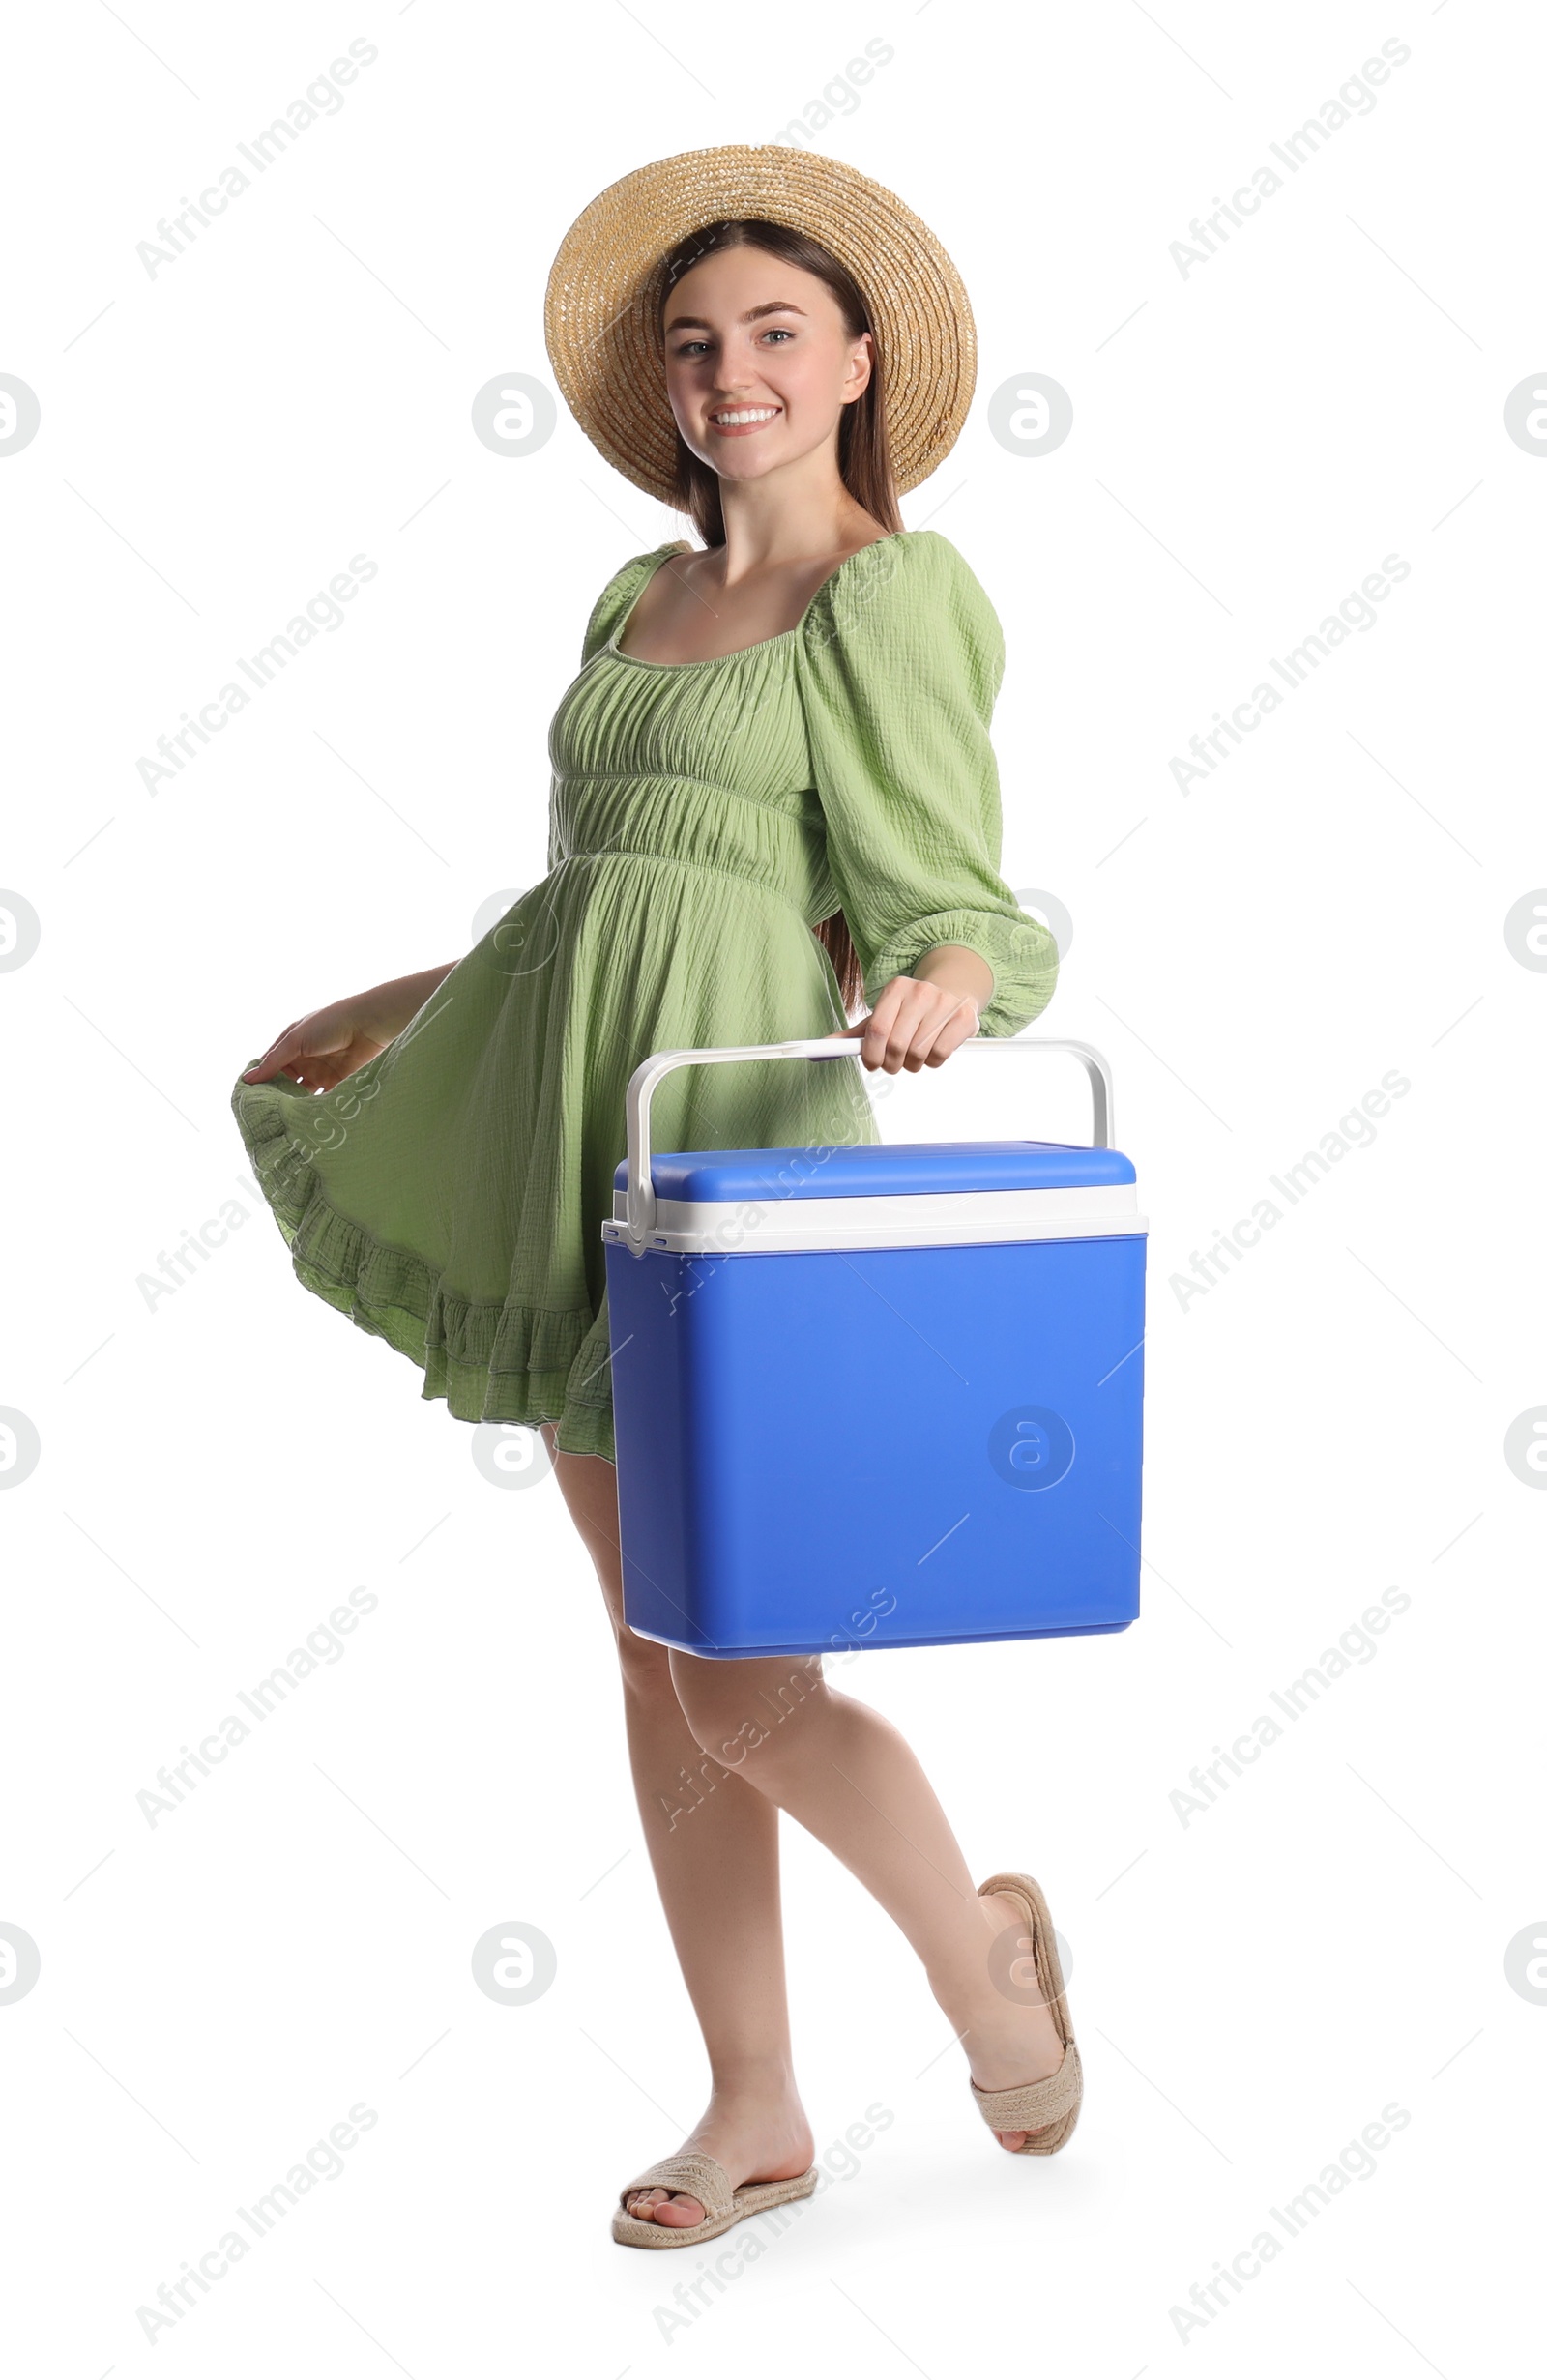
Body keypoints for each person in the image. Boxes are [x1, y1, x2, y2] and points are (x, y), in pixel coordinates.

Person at [232, 145, 1080, 2249]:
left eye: (774, 332)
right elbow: (597, 902)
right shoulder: (635, 601)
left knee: (739, 1673)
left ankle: (985, 1968)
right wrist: (385, 1012)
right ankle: (755, 2099)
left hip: (734, 1173)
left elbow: (948, 888)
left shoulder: (887, 594)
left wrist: (954, 975)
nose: (731, 372)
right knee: (648, 1656)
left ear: (857, 356)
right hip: (559, 1125)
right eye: (694, 345)